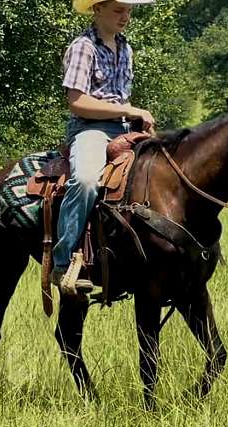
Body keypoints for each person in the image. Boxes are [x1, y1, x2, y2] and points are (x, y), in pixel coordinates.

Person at [51, 0, 156, 294]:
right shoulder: (83, 47)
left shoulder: (126, 48)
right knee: (85, 181)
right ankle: (63, 265)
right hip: (91, 129)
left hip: (125, 129)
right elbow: (77, 102)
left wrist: (137, 120)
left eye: (128, 11)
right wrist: (132, 110)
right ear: (97, 10)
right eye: (118, 10)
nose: (126, 16)